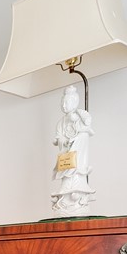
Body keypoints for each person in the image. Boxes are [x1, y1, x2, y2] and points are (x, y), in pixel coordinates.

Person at [51, 84, 96, 216]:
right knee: (66, 178)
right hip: (66, 158)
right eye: (62, 103)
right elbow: (57, 138)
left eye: (67, 102)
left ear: (75, 102)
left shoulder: (79, 116)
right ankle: (64, 201)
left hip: (77, 156)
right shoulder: (60, 122)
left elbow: (87, 128)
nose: (64, 105)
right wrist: (63, 141)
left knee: (77, 175)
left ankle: (78, 200)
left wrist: (79, 123)